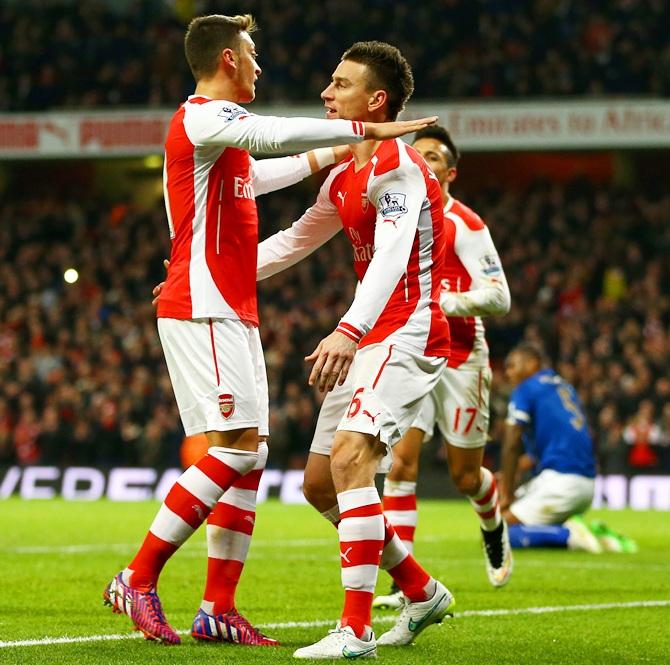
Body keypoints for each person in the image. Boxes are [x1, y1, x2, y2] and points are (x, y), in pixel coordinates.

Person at [102, 14, 437, 647]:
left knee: (251, 454)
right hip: (205, 304)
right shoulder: (204, 117)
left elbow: (262, 178)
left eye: (339, 85)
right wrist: (359, 131)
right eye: (252, 56)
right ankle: (138, 575)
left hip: (230, 302)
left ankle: (218, 607)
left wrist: (341, 149)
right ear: (228, 59)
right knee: (232, 449)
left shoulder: (235, 152)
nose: (262, 67)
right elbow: (269, 137)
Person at [257, 41, 454, 660]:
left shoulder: (398, 166)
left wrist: (345, 329)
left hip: (407, 330)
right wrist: (202, 274)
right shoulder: (347, 171)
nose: (326, 92)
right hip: (369, 333)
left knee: (350, 463)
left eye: (340, 84)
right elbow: (292, 241)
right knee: (320, 485)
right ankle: (421, 592)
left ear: (376, 101)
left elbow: (394, 254)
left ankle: (356, 630)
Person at [373, 125, 512, 611]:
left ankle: (492, 522)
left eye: (433, 157)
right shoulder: (398, 218)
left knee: (464, 477)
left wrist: (442, 302)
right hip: (412, 351)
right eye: (418, 154)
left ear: (450, 172)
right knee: (400, 465)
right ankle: (403, 580)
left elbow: (499, 296)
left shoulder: (466, 224)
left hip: (459, 356)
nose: (422, 161)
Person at [499, 343, 637, 553]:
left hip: (562, 482)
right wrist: (517, 468)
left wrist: (506, 492)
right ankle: (592, 532)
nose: (508, 373)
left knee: (497, 534)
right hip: (586, 483)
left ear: (532, 363)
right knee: (509, 518)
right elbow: (552, 447)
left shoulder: (527, 388)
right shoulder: (563, 387)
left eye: (512, 366)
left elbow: (511, 442)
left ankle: (569, 535)